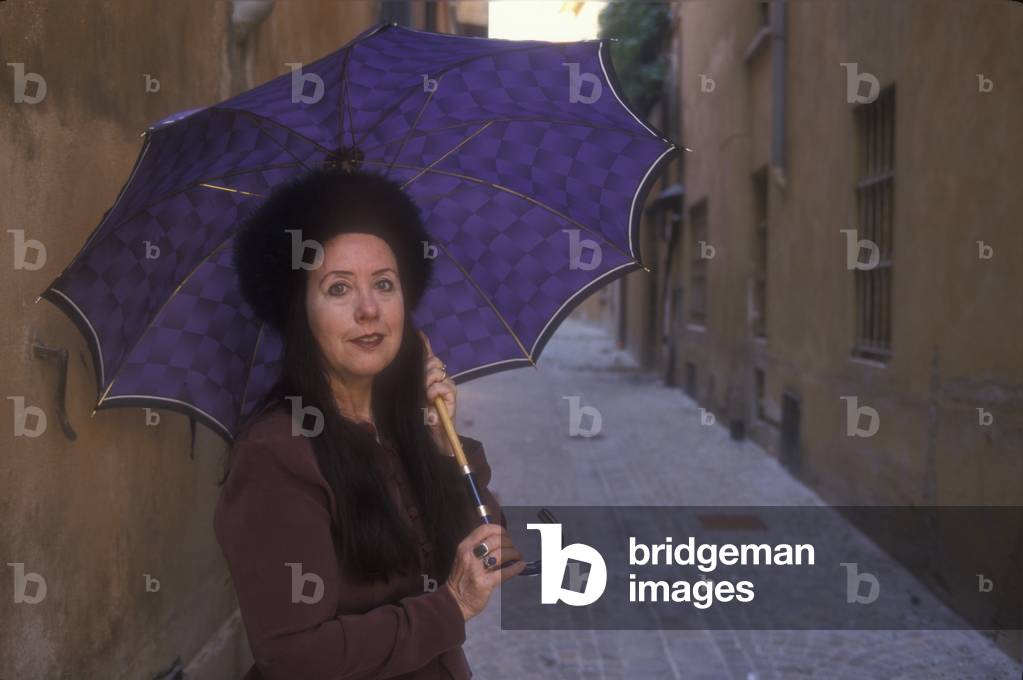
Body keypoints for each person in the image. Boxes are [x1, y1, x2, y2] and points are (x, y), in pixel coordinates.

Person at [215, 167, 525, 680]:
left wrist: (443, 445)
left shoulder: (404, 427)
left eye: (384, 284)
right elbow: (294, 657)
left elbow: (487, 547)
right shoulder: (277, 453)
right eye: (338, 288)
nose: (368, 310)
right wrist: (450, 605)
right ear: (302, 313)